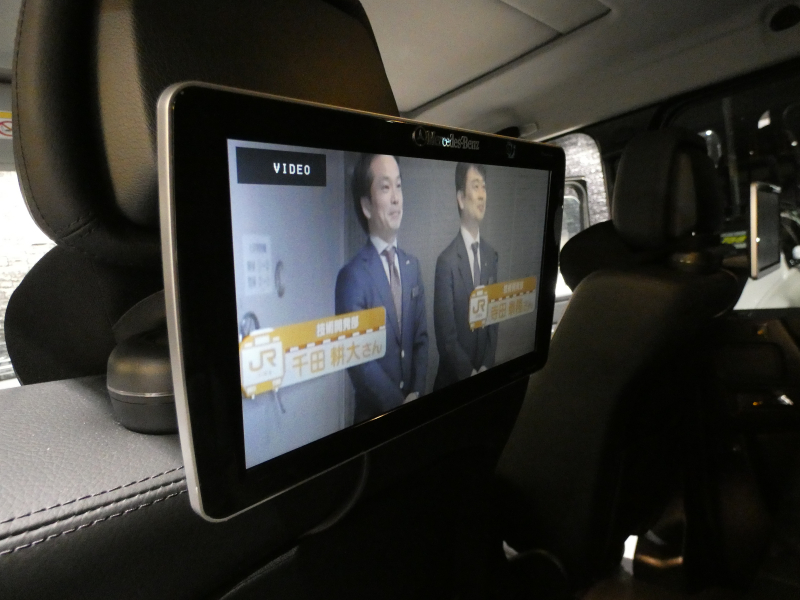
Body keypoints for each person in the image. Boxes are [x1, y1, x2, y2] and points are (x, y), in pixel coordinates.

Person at [336, 154, 428, 423]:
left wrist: (417, 393)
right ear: (366, 205)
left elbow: (421, 340)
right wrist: (399, 406)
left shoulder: (412, 266)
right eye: (386, 187)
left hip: (416, 412)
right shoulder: (351, 277)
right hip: (375, 424)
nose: (396, 198)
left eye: (399, 185)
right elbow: (359, 361)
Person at [433, 163, 498, 389]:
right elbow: (446, 339)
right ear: (461, 198)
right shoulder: (446, 262)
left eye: (484, 187)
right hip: (454, 385)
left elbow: (493, 320)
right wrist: (470, 375)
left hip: (485, 379)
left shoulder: (491, 255)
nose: (482, 195)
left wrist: (486, 367)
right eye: (475, 186)